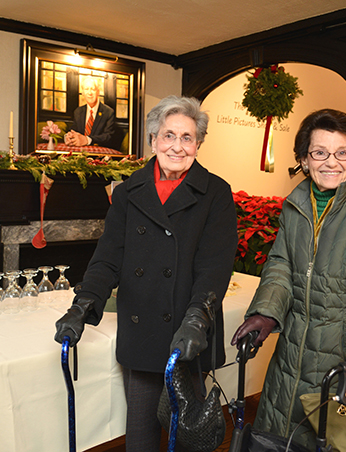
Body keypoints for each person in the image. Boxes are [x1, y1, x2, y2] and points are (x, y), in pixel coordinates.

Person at [55, 96, 238, 451]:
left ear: (198, 144)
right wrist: (84, 304)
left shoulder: (216, 193)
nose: (177, 146)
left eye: (187, 137)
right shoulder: (128, 193)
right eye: (169, 135)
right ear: (153, 140)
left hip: (188, 332)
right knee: (139, 435)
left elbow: (214, 267)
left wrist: (199, 318)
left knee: (186, 435)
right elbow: (108, 258)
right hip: (141, 333)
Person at [231, 109, 346, 449]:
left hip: (342, 361)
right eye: (319, 152)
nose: (332, 162)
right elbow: (281, 264)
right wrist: (266, 311)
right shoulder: (294, 205)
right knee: (278, 438)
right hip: (290, 356)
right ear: (303, 158)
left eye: (342, 152)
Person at [64, 76, 117, 148]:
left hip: (99, 154)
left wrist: (87, 140)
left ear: (98, 92)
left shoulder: (108, 112)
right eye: (86, 89)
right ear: (82, 93)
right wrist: (68, 136)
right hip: (80, 153)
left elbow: (108, 137)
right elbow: (73, 130)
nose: (89, 93)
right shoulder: (78, 111)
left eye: (93, 89)